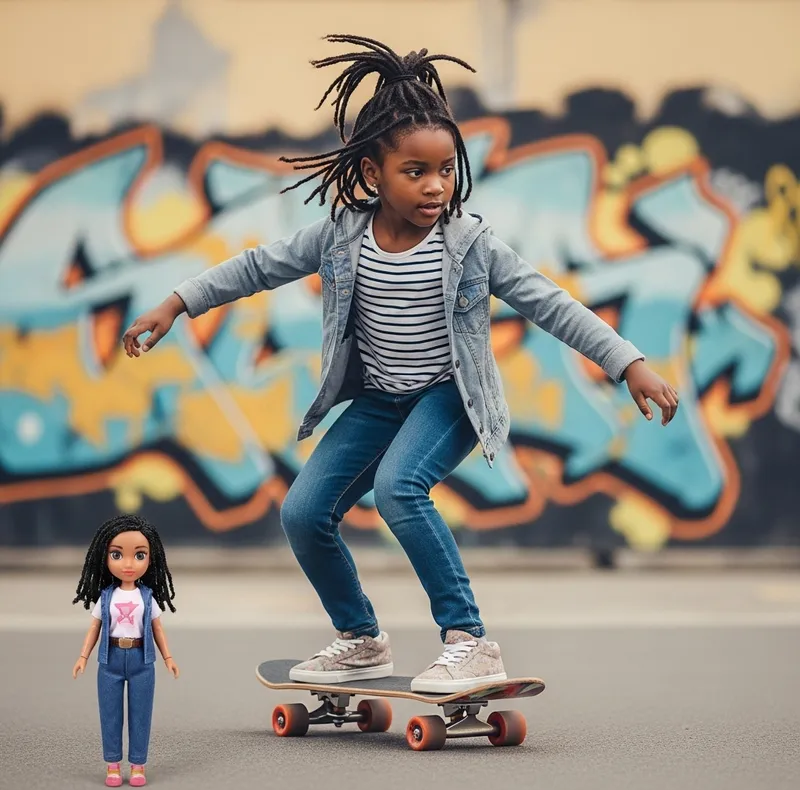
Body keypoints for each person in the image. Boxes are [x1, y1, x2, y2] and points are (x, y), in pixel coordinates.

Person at [121, 34, 678, 694]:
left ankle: (469, 640)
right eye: (415, 172)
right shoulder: (338, 235)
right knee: (303, 513)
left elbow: (550, 303)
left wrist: (627, 362)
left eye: (446, 170)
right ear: (372, 175)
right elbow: (256, 266)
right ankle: (359, 639)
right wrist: (177, 302)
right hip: (380, 401)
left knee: (399, 489)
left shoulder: (471, 245)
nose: (436, 185)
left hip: (448, 398)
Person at [72, 514, 179, 786]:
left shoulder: (147, 596)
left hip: (143, 660)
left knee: (141, 713)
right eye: (117, 555)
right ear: (104, 557)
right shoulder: (106, 596)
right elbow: (94, 628)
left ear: (151, 558)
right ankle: (112, 765)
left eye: (139, 555)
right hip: (111, 659)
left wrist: (168, 657)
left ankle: (138, 765)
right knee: (110, 713)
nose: (129, 564)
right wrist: (83, 656)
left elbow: (157, 629)